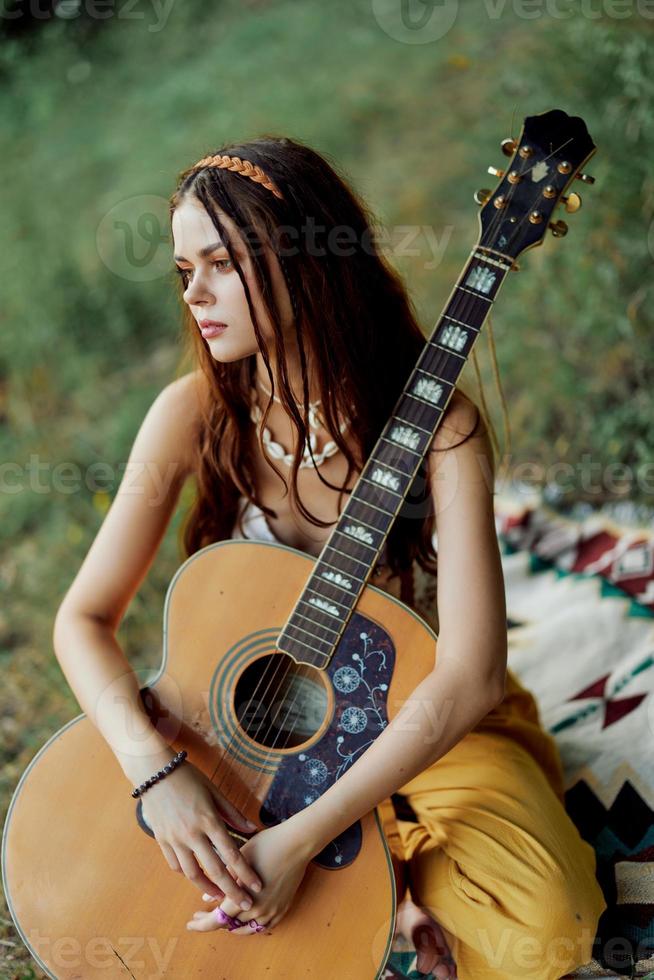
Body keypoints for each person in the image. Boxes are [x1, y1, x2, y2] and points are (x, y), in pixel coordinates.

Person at [53, 136, 607, 978]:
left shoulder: (439, 427)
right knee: (120, 905)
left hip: (414, 720)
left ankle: (378, 885)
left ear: (304, 258)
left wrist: (301, 840)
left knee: (550, 928)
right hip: (237, 741)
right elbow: (81, 620)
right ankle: (390, 895)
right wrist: (153, 770)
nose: (193, 293)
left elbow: (469, 678)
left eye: (220, 264)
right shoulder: (192, 414)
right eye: (181, 270)